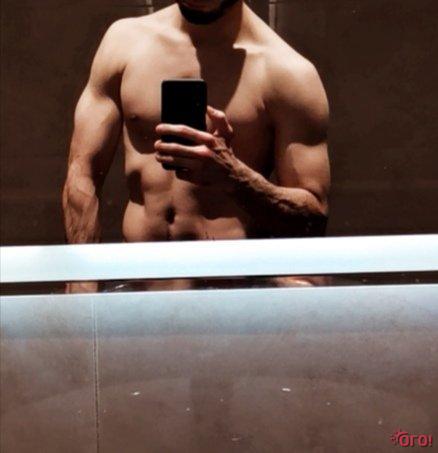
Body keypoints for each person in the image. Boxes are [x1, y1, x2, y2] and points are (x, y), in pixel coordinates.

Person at [62, 0, 330, 292]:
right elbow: (83, 171)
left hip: (230, 294)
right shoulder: (125, 43)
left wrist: (233, 177)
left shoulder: (287, 72)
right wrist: (82, 282)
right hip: (141, 287)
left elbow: (312, 219)